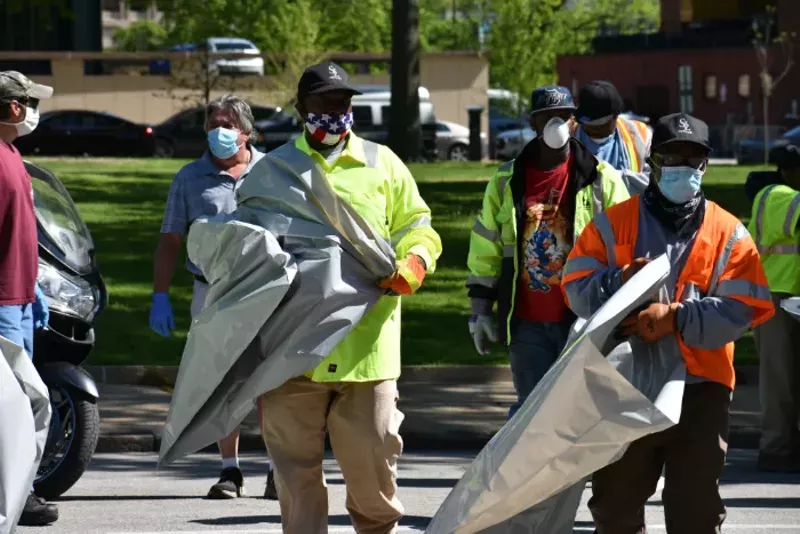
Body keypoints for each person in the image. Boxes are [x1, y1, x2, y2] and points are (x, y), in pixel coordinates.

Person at [563, 113, 775, 533]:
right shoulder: (612, 223)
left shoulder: (729, 232)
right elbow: (575, 286)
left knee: (695, 507)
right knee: (615, 504)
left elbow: (740, 309)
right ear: (653, 163)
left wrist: (674, 319)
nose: (683, 166)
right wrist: (620, 279)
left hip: (702, 388)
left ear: (705, 166)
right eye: (671, 156)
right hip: (624, 383)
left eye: (692, 158)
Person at [256, 60, 442, 534]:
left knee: (374, 480)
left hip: (368, 352)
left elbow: (418, 227)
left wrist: (415, 261)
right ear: (301, 109)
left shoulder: (384, 164)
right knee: (296, 484)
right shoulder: (274, 170)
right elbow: (245, 248)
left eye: (343, 103)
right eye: (324, 103)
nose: (336, 112)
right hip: (291, 355)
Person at [466, 84, 629, 419]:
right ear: (533, 123)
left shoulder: (602, 179)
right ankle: (530, 474)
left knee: (581, 411)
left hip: (584, 319)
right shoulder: (506, 180)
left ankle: (577, 474)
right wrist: (480, 309)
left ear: (575, 122)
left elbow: (628, 248)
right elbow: (486, 248)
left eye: (564, 116)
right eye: (547, 117)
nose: (557, 124)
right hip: (527, 321)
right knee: (531, 413)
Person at [148, 95, 277, 500]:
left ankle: (278, 469)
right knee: (223, 383)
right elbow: (170, 239)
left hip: (266, 290)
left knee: (270, 382)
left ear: (247, 131)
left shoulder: (273, 171)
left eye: (227, 123)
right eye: (212, 122)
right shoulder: (189, 178)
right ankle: (230, 470)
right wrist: (160, 296)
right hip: (212, 292)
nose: (218, 130)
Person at [0, 70, 59, 527]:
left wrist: (33, 287)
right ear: (16, 108)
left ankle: (22, 491)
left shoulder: (12, 155)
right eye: (30, 102)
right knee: (15, 406)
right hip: (2, 302)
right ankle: (17, 496)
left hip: (19, 297)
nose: (34, 111)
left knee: (22, 403)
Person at [745, 144, 800, 472]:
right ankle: (777, 450)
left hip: (787, 297)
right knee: (780, 378)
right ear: (789, 170)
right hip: (776, 299)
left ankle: (787, 445)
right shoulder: (775, 194)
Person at [572, 80, 652, 196]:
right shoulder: (568, 136)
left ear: (616, 116)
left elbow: (653, 181)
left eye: (600, 125)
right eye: (588, 124)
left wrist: (608, 178)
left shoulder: (640, 135)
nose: (593, 129)